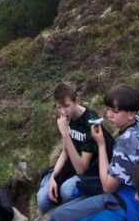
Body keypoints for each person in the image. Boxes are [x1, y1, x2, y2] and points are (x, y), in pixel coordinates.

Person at [38, 84, 139, 221]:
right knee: (59, 211)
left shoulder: (127, 143)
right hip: (136, 193)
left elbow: (107, 186)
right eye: (108, 109)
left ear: (131, 114)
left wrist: (101, 144)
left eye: (115, 111)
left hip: (129, 204)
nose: (109, 115)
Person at [36, 82, 101, 212]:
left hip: (89, 170)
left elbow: (82, 169)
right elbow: (65, 152)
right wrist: (54, 176)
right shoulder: (66, 118)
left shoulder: (90, 119)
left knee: (66, 191)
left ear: (76, 101)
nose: (63, 112)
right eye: (59, 107)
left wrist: (65, 133)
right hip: (70, 164)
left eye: (66, 106)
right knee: (42, 200)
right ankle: (48, 179)